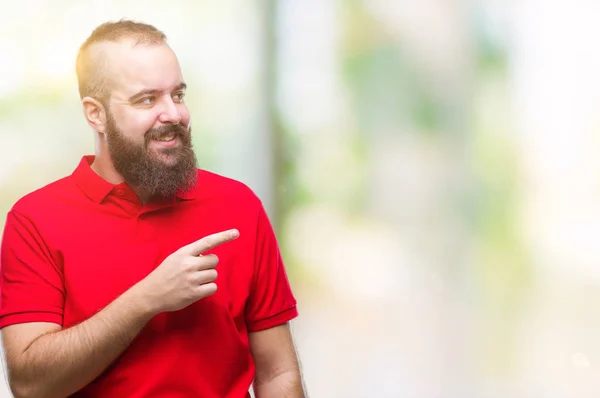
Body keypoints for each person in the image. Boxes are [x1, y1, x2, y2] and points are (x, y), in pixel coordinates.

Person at [0, 19, 305, 398]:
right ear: (96, 114)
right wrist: (147, 299)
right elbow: (31, 386)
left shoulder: (238, 206)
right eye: (147, 99)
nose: (173, 115)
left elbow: (277, 374)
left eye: (177, 95)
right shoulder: (35, 221)